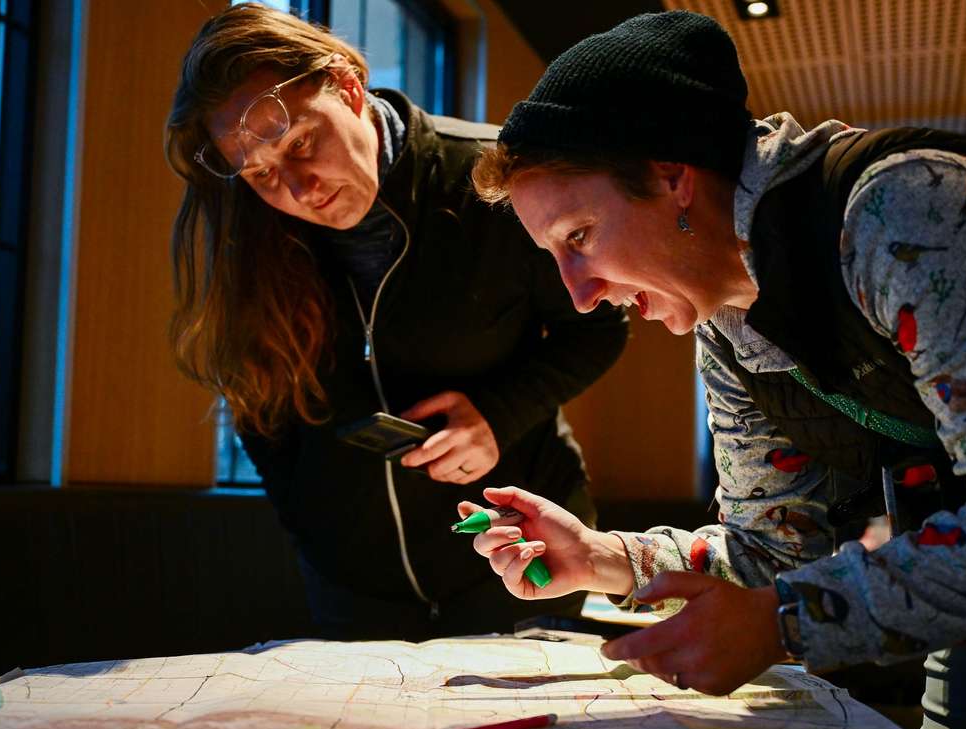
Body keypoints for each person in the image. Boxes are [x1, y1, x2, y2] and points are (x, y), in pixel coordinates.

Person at [461, 10, 966, 729]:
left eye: (580, 235)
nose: (580, 296)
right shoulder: (726, 324)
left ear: (674, 176)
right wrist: (603, 557)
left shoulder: (906, 212)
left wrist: (784, 623)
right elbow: (771, 551)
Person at [162, 3, 627, 641]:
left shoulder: (497, 180)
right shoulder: (253, 234)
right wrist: (315, 528)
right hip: (354, 590)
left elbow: (600, 326)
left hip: (519, 556)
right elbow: (258, 405)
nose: (298, 189)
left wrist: (499, 412)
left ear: (348, 88)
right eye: (262, 174)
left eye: (300, 143)